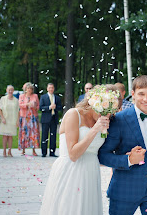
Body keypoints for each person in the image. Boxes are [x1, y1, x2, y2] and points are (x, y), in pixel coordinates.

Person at [98, 75, 147, 215]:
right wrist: (128, 160)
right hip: (124, 189)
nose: (146, 99)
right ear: (132, 94)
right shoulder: (119, 119)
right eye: (141, 94)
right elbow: (103, 155)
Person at [40, 84, 118, 215]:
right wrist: (94, 130)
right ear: (93, 102)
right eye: (104, 109)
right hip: (71, 172)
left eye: (111, 110)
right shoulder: (73, 114)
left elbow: (99, 152)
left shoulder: (103, 119)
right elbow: (73, 154)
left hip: (91, 173)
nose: (107, 114)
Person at [39, 83, 62, 157]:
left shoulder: (57, 98)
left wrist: (55, 107)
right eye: (49, 88)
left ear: (54, 88)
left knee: (53, 136)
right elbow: (40, 107)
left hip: (54, 119)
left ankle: (52, 152)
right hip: (45, 119)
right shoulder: (43, 97)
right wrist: (49, 107)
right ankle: (44, 153)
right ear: (47, 88)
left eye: (52, 88)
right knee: (44, 136)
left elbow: (60, 107)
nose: (51, 89)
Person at [18, 83, 40, 156]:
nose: (29, 90)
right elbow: (20, 105)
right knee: (24, 133)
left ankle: (33, 150)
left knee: (33, 133)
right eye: (28, 89)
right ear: (25, 89)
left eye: (31, 89)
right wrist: (27, 105)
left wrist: (34, 106)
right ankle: (23, 150)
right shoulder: (22, 96)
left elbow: (38, 106)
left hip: (33, 117)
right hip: (24, 117)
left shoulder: (35, 96)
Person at [0, 85, 19, 157]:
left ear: (13, 91)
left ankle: (9, 151)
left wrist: (17, 121)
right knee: (5, 136)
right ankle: (4, 151)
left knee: (10, 136)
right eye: (9, 90)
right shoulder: (3, 99)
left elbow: (18, 111)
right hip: (5, 120)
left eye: (12, 90)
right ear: (6, 90)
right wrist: (2, 118)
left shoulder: (16, 100)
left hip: (12, 120)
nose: (10, 91)